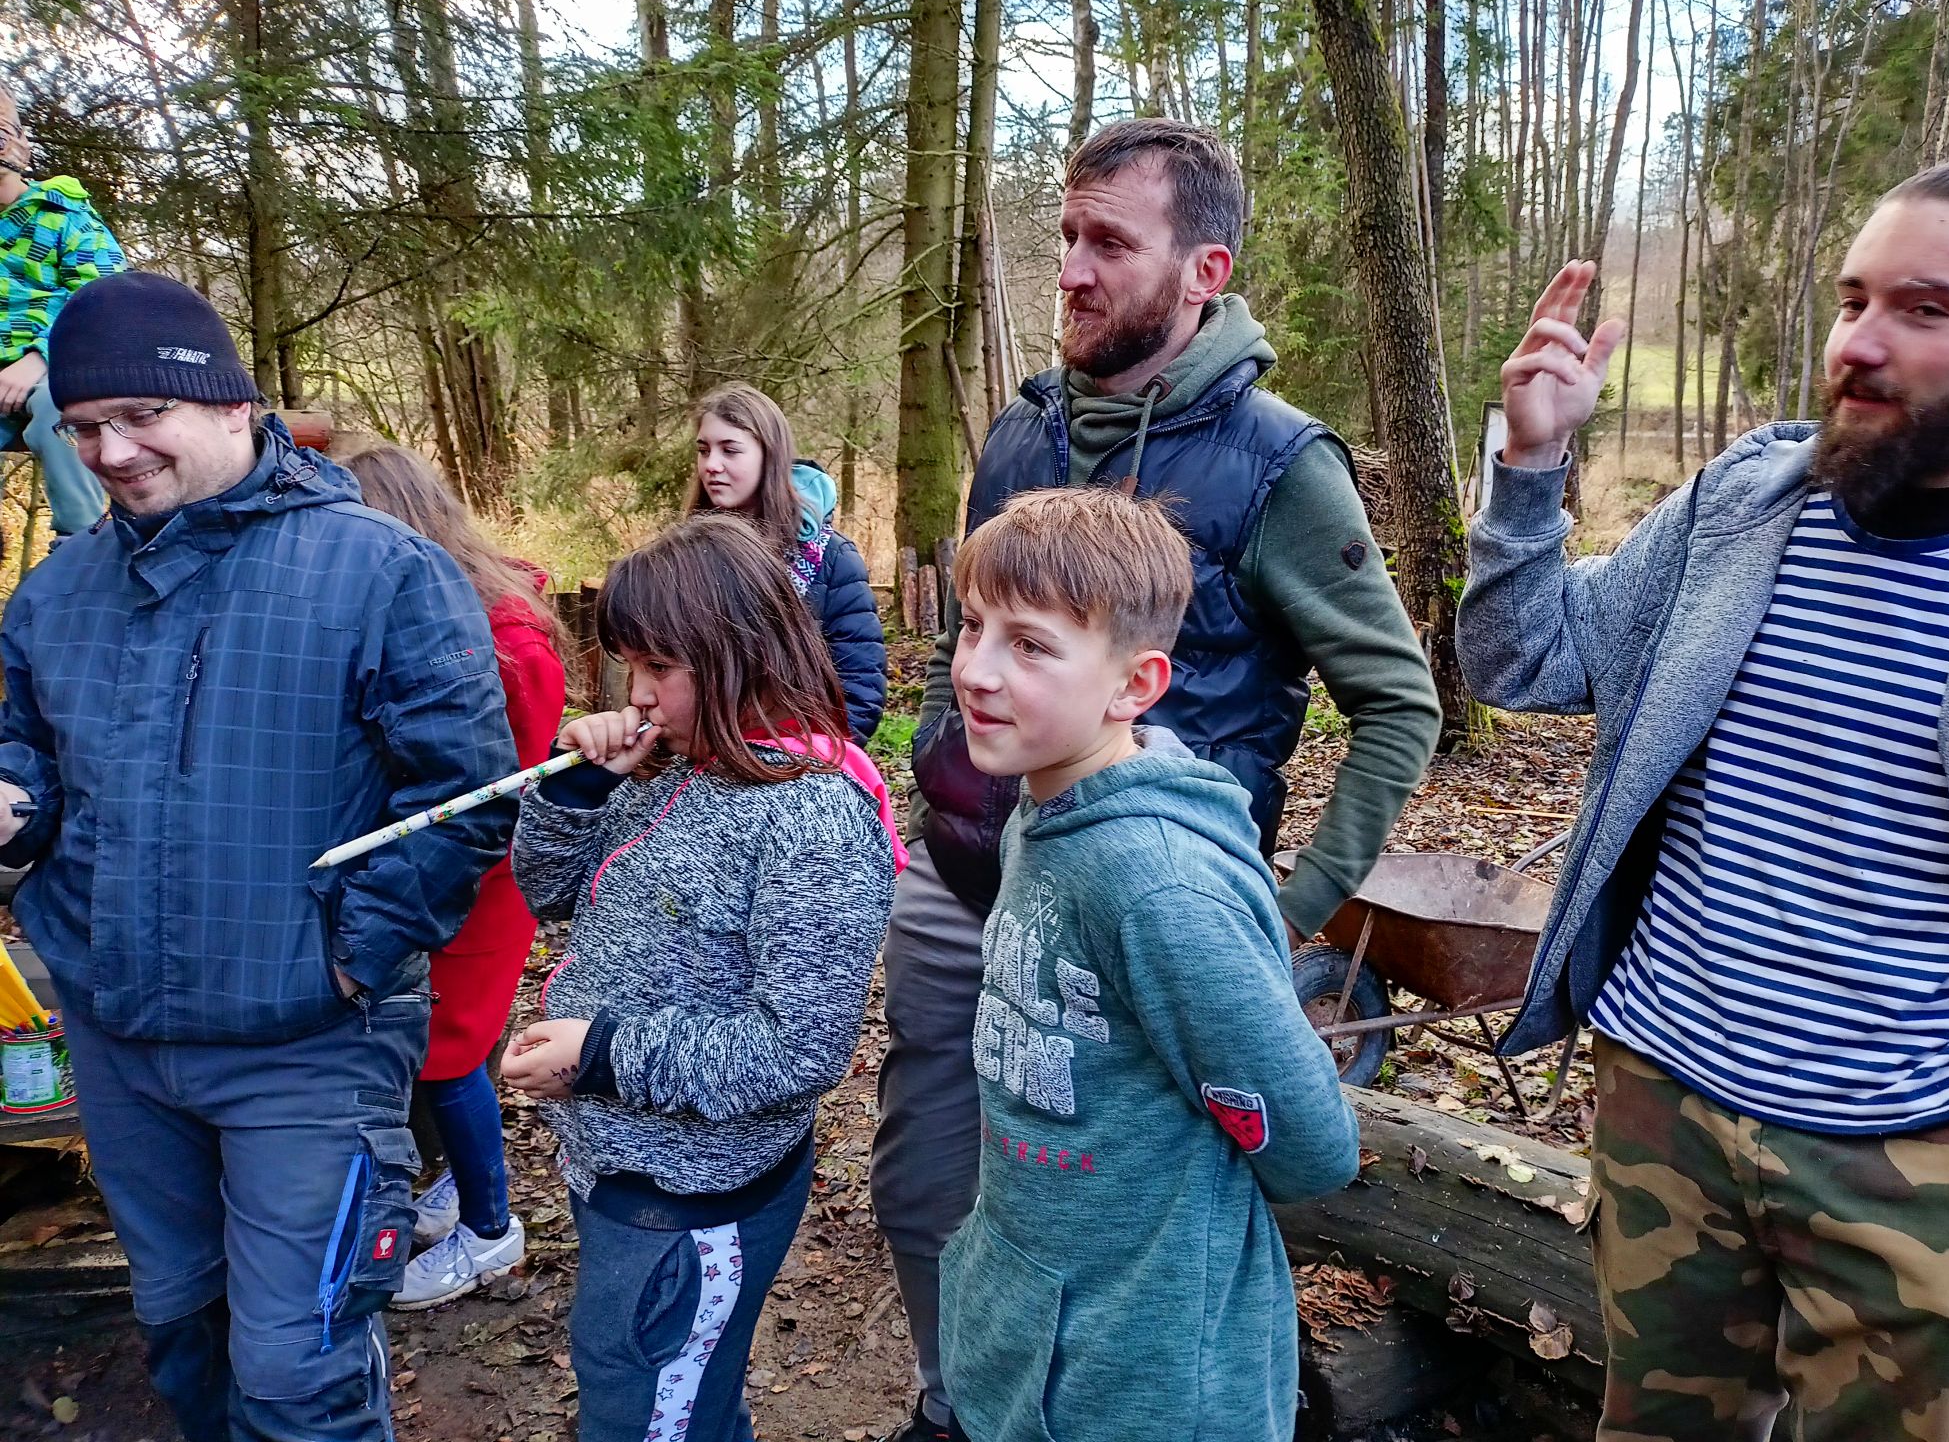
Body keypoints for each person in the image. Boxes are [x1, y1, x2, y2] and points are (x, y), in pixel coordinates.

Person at [1456, 153, 1949, 1441]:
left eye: (1925, 309)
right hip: (1666, 1104)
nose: (1860, 344)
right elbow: (1527, 661)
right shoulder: (1746, 502)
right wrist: (1529, 464)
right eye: (1852, 301)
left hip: (1925, 1162)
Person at [873, 117, 1441, 1442]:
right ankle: (960, 1403)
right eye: (1066, 236)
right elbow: (973, 642)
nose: (1071, 269)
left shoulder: (1280, 463)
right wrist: (937, 783)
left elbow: (1397, 704)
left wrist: (1287, 911)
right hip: (977, 883)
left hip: (1143, 923)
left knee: (1132, 1210)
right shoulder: (1022, 435)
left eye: (1109, 244)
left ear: (1204, 270)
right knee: (930, 1188)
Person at [0, 272, 519, 1441]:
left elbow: (462, 799)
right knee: (185, 1339)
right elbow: (31, 762)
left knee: (297, 1377)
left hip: (308, 1050)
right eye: (83, 428)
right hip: (123, 1047)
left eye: (142, 415)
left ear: (231, 403)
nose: (112, 452)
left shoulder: (380, 571)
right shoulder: (54, 596)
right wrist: (16, 808)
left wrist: (344, 959)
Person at [935, 487, 1359, 1442]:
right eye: (972, 626)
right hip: (1036, 1335)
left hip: (1148, 1379)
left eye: (1030, 645)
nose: (976, 670)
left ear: (1135, 686)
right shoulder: (1042, 810)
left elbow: (1311, 1141)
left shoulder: (1157, 885)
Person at [502, 512, 901, 1442]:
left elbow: (799, 1050)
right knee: (661, 1388)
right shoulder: (671, 767)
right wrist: (578, 787)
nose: (637, 696)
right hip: (619, 1159)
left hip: (692, 1196)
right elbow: (549, 893)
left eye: (658, 668)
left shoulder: (810, 818)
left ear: (740, 654)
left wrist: (601, 1055)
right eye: (627, 667)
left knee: (648, 1403)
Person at [334, 443, 569, 1308]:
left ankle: (490, 1228)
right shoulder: (418, 617)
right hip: (431, 870)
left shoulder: (506, 641)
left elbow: (501, 788)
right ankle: (464, 1184)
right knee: (438, 1046)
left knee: (448, 1051)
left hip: (478, 880)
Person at [686, 381, 886, 743]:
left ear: (770, 456)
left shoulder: (831, 558)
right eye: (704, 450)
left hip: (800, 758)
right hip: (697, 753)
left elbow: (859, 693)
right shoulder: (683, 556)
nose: (711, 465)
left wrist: (798, 764)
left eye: (730, 450)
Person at [0, 80, 120, 537]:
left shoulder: (63, 213)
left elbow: (102, 296)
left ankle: (82, 541)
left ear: (22, 142)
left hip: (58, 364)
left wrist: (39, 357)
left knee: (60, 407)